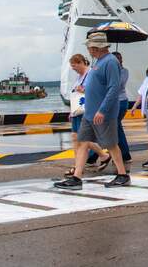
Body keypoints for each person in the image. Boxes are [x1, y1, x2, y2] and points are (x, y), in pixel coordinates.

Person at [54, 33, 129, 189]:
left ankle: (122, 175)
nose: (88, 49)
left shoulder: (110, 62)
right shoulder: (98, 62)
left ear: (96, 47)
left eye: (89, 47)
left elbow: (114, 88)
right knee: (82, 143)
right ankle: (77, 178)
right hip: (90, 112)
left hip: (102, 113)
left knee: (111, 144)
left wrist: (102, 110)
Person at [65, 54, 106, 178]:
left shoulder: (90, 74)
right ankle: (103, 156)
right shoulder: (79, 77)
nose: (73, 69)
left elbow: (97, 90)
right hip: (78, 111)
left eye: (75, 66)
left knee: (81, 139)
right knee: (76, 137)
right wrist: (72, 111)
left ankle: (78, 168)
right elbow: (75, 96)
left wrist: (83, 89)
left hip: (87, 109)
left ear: (81, 62)